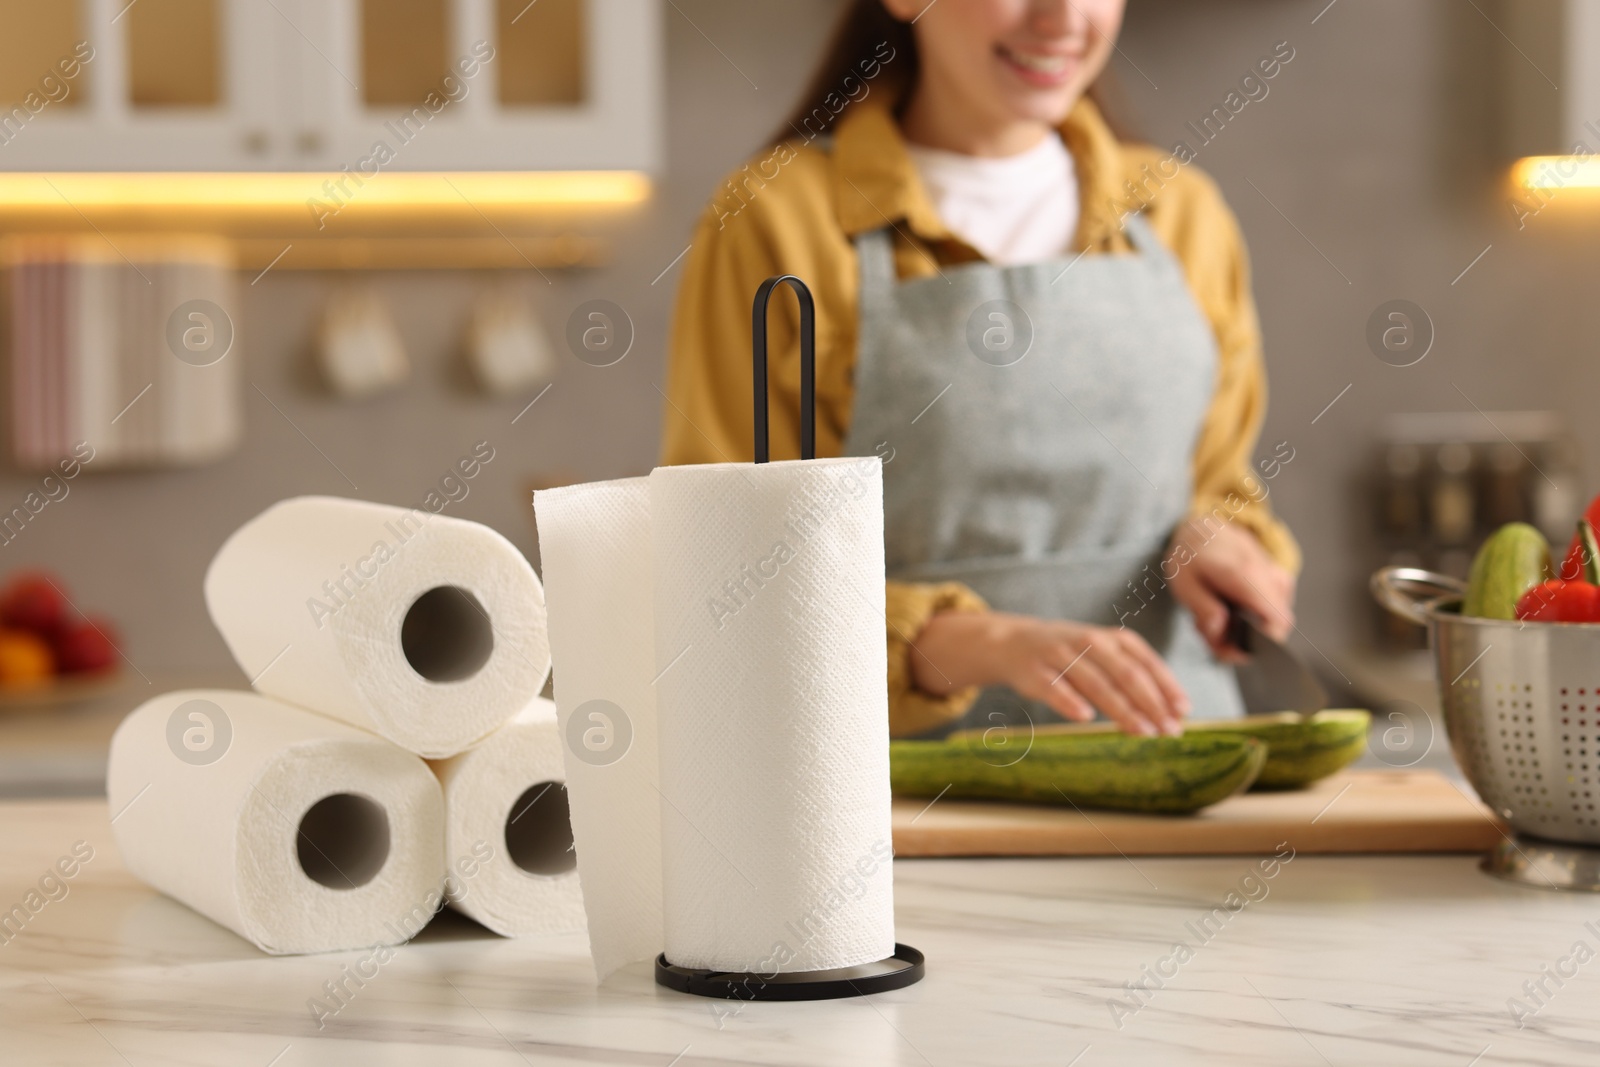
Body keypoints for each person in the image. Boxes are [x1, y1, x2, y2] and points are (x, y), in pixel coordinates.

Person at [661, 0, 1299, 739]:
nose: (1063, 17)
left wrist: (1220, 541)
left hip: (1184, 782)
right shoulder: (772, 221)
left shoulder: (1180, 211)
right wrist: (978, 644)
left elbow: (1222, 488)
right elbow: (731, 571)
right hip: (898, 800)